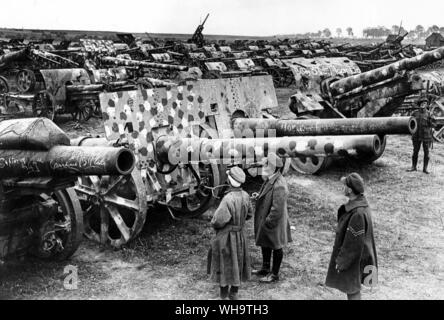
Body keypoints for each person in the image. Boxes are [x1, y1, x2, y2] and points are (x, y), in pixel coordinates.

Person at [326, 173, 378, 300]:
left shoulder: (357, 214)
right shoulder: (360, 206)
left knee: (352, 288)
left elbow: (353, 244)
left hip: (355, 258)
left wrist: (342, 261)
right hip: (359, 254)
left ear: (349, 190)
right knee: (352, 287)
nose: (342, 188)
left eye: (344, 186)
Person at [208, 166, 252, 300]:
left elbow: (218, 220)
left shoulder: (228, 199)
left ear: (229, 180)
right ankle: (234, 292)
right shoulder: (246, 195)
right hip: (241, 235)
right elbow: (249, 214)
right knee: (238, 260)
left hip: (227, 237)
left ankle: (223, 293)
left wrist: (214, 224)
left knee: (225, 262)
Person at [252, 152, 292, 283]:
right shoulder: (270, 178)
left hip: (274, 222)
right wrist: (258, 196)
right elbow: (267, 194)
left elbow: (277, 209)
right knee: (265, 243)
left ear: (274, 167)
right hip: (267, 220)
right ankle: (265, 267)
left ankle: (274, 274)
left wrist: (269, 222)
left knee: (276, 246)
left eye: (266, 164)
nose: (263, 166)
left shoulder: (279, 184)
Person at [407, 97, 436, 174]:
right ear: (419, 104)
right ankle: (413, 167)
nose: (423, 105)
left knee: (426, 152)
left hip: (426, 135)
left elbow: (434, 124)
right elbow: (409, 122)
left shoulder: (429, 113)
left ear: (426, 105)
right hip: (416, 135)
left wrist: (431, 122)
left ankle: (425, 169)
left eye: (425, 103)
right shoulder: (414, 113)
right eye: (422, 103)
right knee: (415, 151)